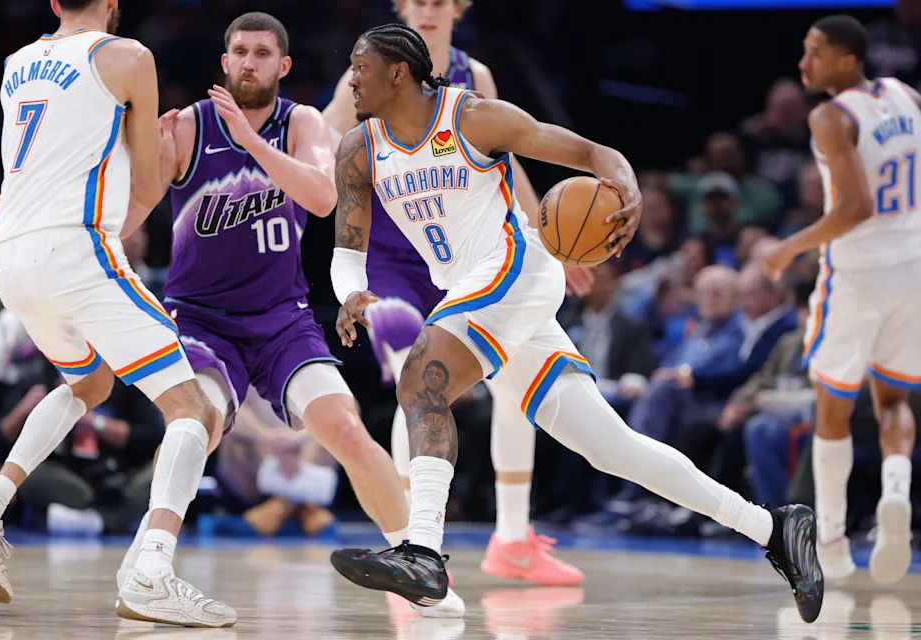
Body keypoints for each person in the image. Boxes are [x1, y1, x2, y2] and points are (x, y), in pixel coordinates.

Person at [327, 23, 823, 624]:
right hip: (479, 293)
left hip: (516, 266)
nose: (351, 76)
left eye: (360, 65)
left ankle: (423, 552)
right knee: (613, 448)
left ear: (398, 72)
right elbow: (347, 253)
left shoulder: (470, 118)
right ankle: (774, 527)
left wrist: (629, 189)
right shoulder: (358, 148)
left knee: (421, 378)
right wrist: (351, 294)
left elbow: (590, 153)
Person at [105, 12, 466, 616]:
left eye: (263, 52)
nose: (250, 62)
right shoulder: (188, 127)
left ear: (283, 65)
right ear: (224, 62)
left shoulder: (300, 123)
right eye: (240, 51)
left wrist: (248, 141)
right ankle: (152, 563)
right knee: (198, 422)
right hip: (201, 317)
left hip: (281, 319)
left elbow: (323, 197)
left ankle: (421, 572)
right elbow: (128, 206)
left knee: (347, 428)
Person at [0, 0, 236, 627]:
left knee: (90, 381)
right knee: (193, 407)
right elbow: (143, 186)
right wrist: (165, 158)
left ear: (54, 3)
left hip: (13, 253)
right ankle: (152, 572)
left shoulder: (15, 63)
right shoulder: (130, 57)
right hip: (76, 247)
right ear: (113, 4)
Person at [322, 0, 586, 587]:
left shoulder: (474, 77)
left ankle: (512, 538)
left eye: (439, 0)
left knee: (512, 383)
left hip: (473, 249)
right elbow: (324, 137)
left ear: (459, 8)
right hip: (394, 253)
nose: (428, 10)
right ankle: (408, 540)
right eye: (417, 1)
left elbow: (506, 165)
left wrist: (545, 234)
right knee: (411, 379)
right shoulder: (362, 75)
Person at [763, 14, 921, 585]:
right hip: (913, 265)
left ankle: (830, 543)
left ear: (848, 61)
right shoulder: (907, 95)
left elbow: (855, 209)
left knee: (831, 409)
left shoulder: (830, 115)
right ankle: (895, 492)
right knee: (893, 402)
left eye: (816, 53)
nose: (804, 64)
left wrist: (787, 250)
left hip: (857, 273)